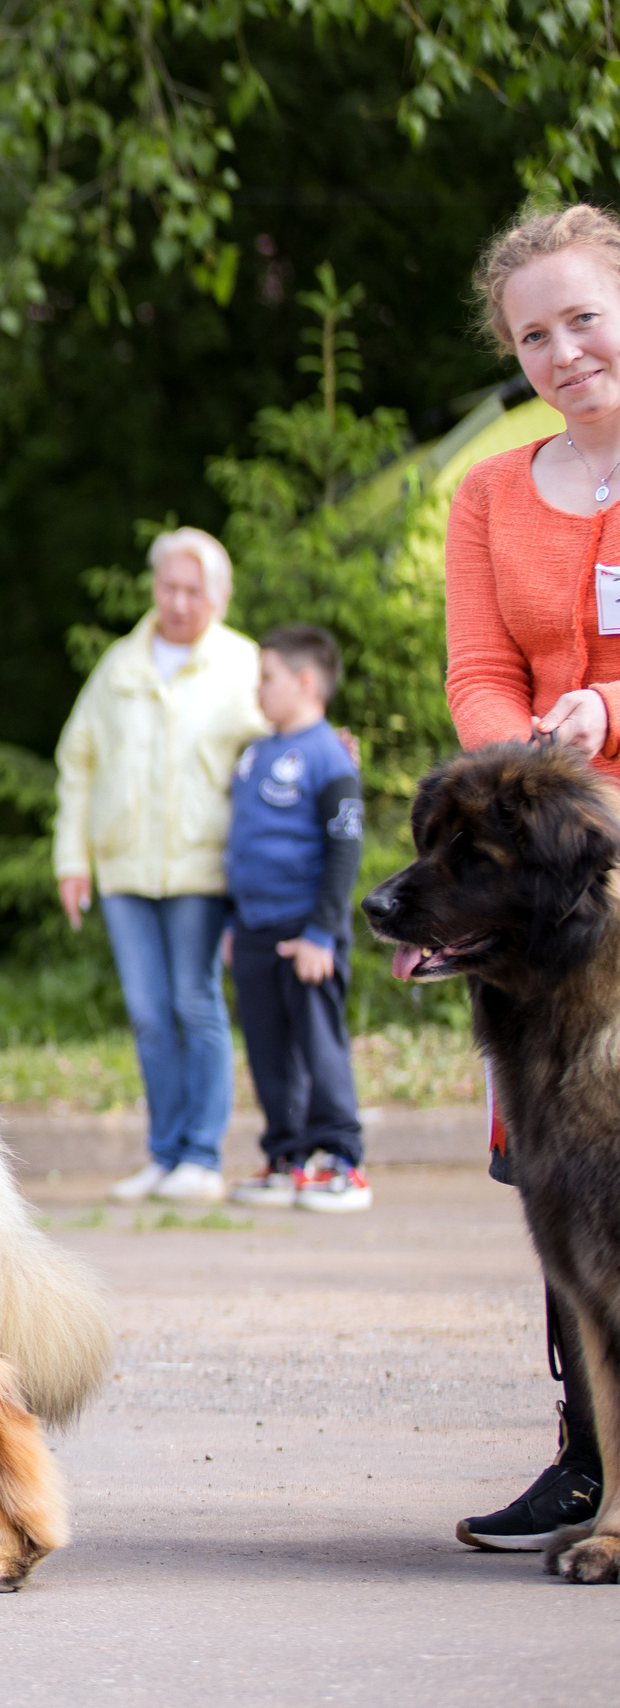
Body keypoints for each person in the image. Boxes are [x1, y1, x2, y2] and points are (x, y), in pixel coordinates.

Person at [438, 201, 620, 1551]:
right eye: (534, 335)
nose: (562, 351)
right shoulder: (491, 494)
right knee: (559, 1162)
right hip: (547, 867)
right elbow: (479, 672)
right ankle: (587, 1459)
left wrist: (600, 722)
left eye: (583, 318)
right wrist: (526, 775)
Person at [54, 528, 270, 1207]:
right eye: (168, 586)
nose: (177, 602)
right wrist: (71, 859)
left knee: (193, 1003)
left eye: (192, 590)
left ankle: (202, 1156)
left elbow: (283, 756)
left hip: (204, 871)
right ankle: (165, 1151)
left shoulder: (244, 664)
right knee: (149, 1014)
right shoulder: (118, 665)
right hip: (123, 869)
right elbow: (76, 761)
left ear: (219, 596)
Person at [223, 625, 369, 1213]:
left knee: (318, 1044)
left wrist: (321, 933)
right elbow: (246, 844)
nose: (258, 689)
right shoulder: (256, 754)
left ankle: (339, 1156)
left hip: (307, 932)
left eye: (268, 677)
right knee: (267, 1048)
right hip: (254, 930)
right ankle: (286, 1155)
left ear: (306, 682)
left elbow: (344, 851)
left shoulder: (330, 757)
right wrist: (235, 924)